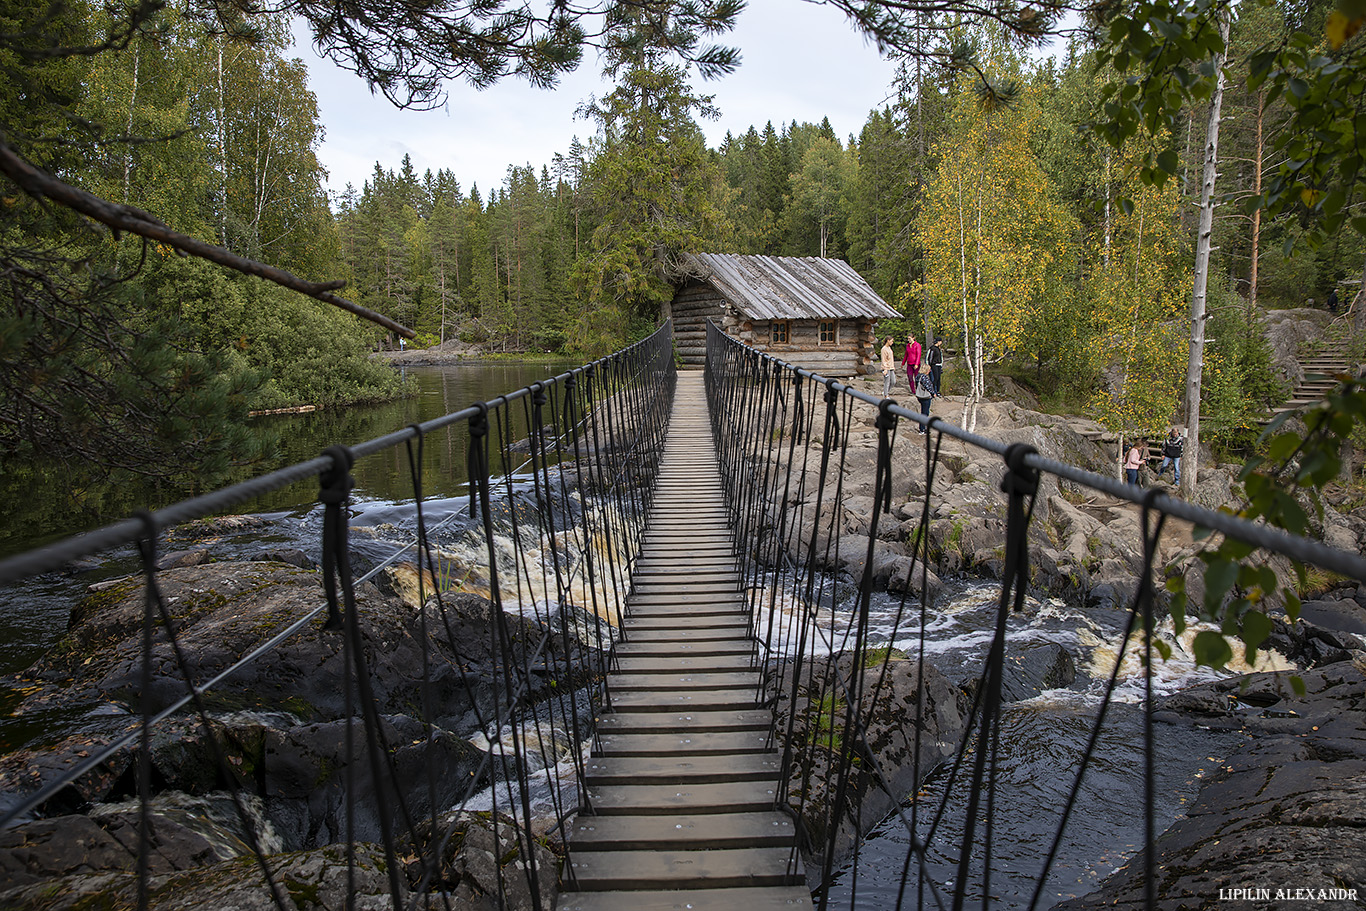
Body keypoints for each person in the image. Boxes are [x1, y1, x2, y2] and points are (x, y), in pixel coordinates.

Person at [914, 366, 935, 431]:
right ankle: (922, 428)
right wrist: (933, 393)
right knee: (925, 413)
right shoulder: (924, 377)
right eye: (929, 370)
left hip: (919, 396)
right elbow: (928, 387)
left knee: (923, 412)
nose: (930, 371)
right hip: (925, 397)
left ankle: (922, 427)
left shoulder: (918, 376)